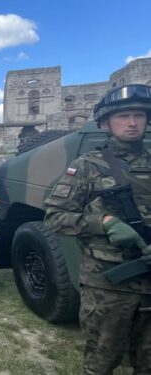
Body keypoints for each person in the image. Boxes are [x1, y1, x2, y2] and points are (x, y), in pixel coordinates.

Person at [44, 84, 151, 374]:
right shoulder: (88, 167)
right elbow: (55, 217)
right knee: (102, 361)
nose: (132, 123)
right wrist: (102, 222)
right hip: (108, 283)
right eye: (124, 116)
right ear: (105, 123)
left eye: (139, 115)